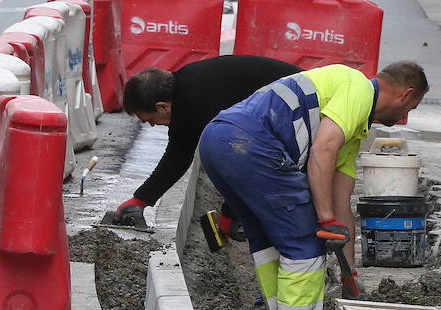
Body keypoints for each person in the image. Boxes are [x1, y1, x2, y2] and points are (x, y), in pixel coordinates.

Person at [197, 62, 429, 310]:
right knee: (305, 240)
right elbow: (322, 150)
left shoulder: (352, 129)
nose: (405, 115)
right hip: (253, 144)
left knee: (269, 237)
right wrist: (324, 218)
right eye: (412, 107)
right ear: (405, 95)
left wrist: (348, 271)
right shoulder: (359, 88)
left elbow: (341, 202)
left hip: (217, 139)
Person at [106, 55, 301, 229]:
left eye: (148, 120)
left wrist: (231, 212)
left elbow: (240, 159)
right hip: (288, 107)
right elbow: (178, 155)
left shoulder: (199, 101)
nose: (152, 126)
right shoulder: (184, 92)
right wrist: (140, 200)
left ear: (162, 107)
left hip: (303, 106)